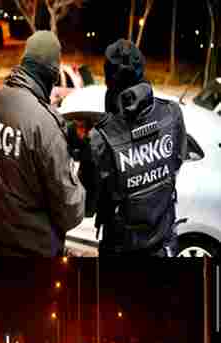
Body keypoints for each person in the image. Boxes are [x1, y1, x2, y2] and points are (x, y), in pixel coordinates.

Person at [0, 31, 85, 256]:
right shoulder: (45, 123)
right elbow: (70, 211)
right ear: (52, 74)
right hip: (36, 249)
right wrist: (83, 183)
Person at [80, 39, 187, 256]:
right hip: (164, 246)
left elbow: (87, 207)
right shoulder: (172, 114)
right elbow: (175, 163)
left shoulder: (99, 139)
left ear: (109, 80)